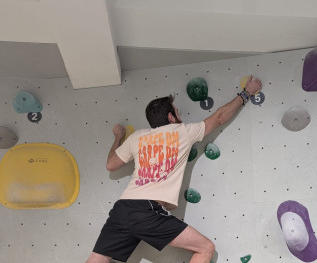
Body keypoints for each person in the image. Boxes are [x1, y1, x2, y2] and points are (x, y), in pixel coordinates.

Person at [86, 76, 262, 263]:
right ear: (171, 117)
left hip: (122, 208)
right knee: (205, 248)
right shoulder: (182, 131)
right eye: (177, 112)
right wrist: (246, 93)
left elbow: (111, 165)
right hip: (148, 210)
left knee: (98, 259)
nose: (181, 116)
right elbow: (219, 118)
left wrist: (118, 137)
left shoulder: (137, 137)